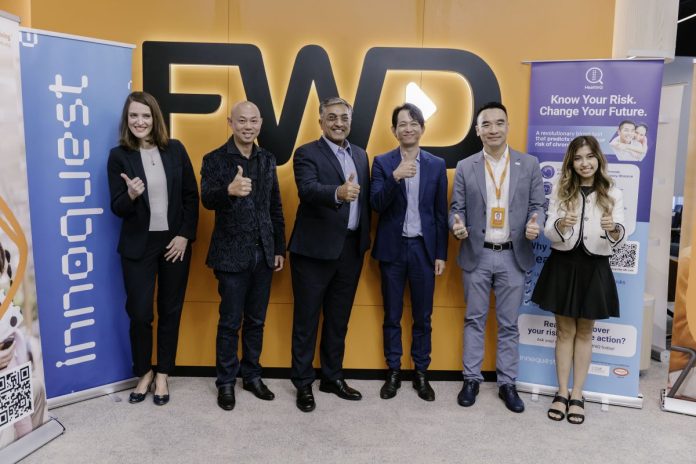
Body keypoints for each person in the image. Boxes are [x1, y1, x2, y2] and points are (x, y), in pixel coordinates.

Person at [449, 101, 545, 413]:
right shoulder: (466, 166)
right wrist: (456, 226)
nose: (493, 129)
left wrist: (536, 223)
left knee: (508, 324)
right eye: (486, 124)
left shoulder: (528, 164)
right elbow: (456, 209)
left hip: (512, 255)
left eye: (499, 123)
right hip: (477, 254)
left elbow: (538, 206)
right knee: (474, 319)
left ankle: (507, 383)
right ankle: (471, 379)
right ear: (478, 130)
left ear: (508, 126)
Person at [107, 91, 199, 406]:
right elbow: (117, 207)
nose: (140, 121)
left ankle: (163, 374)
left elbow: (190, 196)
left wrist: (185, 235)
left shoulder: (175, 149)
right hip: (138, 246)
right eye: (134, 115)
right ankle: (144, 372)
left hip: (174, 243)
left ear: (155, 118)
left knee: (170, 310)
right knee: (140, 313)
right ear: (127, 119)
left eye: (145, 115)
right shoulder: (118, 156)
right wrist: (131, 195)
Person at [532, 135, 625, 424]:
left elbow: (620, 235)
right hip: (564, 264)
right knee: (564, 332)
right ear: (571, 163)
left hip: (595, 266)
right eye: (578, 158)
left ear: (598, 158)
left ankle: (577, 394)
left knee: (585, 332)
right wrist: (561, 224)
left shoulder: (613, 192)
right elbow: (549, 231)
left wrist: (613, 228)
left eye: (589, 156)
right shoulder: (562, 189)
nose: (585, 163)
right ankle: (561, 392)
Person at [200, 101, 286, 411]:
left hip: (263, 253)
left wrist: (279, 248)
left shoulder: (267, 159)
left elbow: (275, 205)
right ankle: (225, 382)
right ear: (231, 123)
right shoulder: (214, 159)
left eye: (253, 121)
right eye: (241, 121)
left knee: (256, 321)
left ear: (260, 123)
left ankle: (252, 376)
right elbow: (207, 198)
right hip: (230, 255)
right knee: (230, 322)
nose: (248, 126)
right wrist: (229, 191)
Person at [288, 96, 371, 412]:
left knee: (338, 320)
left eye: (344, 117)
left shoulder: (361, 155)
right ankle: (303, 383)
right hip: (313, 252)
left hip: (350, 250)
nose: (339, 123)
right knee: (306, 321)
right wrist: (338, 192)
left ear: (350, 120)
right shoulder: (306, 153)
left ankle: (332, 377)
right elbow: (307, 189)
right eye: (332, 117)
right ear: (321, 121)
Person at [370, 103, 448, 401]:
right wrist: (395, 177)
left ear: (422, 128)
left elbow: (440, 214)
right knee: (392, 315)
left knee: (423, 317)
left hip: (423, 250)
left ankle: (421, 373)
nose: (408, 128)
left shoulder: (437, 164)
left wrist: (440, 254)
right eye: (402, 124)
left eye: (414, 123)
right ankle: (393, 371)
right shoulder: (382, 162)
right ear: (394, 130)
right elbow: (376, 204)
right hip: (393, 249)